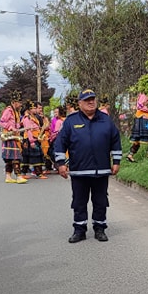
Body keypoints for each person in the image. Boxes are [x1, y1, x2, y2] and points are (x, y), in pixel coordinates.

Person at [53, 89, 122, 243]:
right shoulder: (71, 121)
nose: (91, 102)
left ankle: (100, 228)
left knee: (100, 201)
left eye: (93, 99)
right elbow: (60, 144)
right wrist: (61, 164)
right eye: (87, 100)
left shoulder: (106, 120)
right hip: (79, 171)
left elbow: (115, 141)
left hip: (101, 170)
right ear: (79, 104)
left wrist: (116, 162)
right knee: (79, 201)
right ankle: (79, 230)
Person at [0, 96, 28, 183]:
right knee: (16, 157)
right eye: (19, 103)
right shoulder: (9, 110)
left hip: (14, 135)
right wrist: (11, 127)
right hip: (9, 136)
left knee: (10, 158)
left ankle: (8, 176)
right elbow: (2, 121)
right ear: (14, 102)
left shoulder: (16, 112)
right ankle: (19, 176)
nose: (20, 105)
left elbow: (16, 124)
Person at [127, 93, 148, 162]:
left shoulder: (142, 95)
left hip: (139, 118)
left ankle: (130, 154)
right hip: (145, 119)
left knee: (138, 138)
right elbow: (142, 106)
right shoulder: (145, 95)